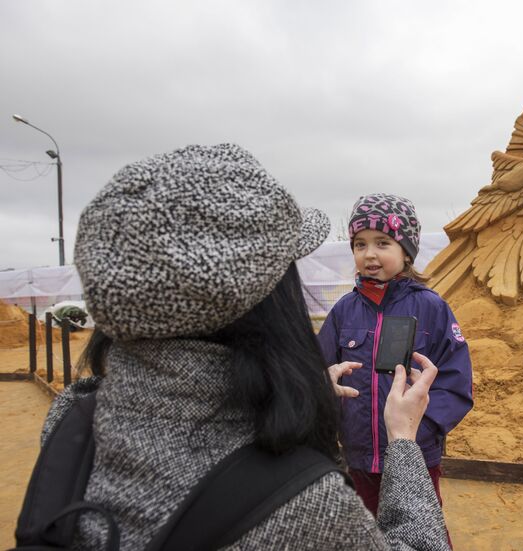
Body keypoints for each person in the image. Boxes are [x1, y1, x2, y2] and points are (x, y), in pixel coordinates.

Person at [35, 145, 452, 550]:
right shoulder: (302, 499)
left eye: (383, 243)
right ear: (264, 300)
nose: (369, 254)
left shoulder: (71, 420)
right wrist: (402, 440)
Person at [317, 193, 474, 520]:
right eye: (360, 244)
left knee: (420, 530)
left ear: (407, 252)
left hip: (415, 457)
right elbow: (317, 370)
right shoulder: (343, 311)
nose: (369, 254)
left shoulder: (432, 308)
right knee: (365, 533)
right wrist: (324, 386)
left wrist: (421, 428)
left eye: (382, 242)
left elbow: (456, 383)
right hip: (359, 457)